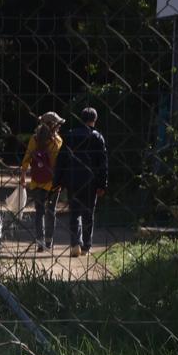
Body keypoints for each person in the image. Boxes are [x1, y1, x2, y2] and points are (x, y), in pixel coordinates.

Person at [54, 107, 109, 256]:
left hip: (73, 179)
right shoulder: (98, 137)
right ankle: (86, 246)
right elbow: (103, 163)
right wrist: (102, 184)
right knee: (88, 213)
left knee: (74, 213)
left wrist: (58, 181)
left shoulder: (70, 135)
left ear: (81, 118)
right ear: (95, 120)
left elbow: (61, 160)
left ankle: (74, 244)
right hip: (91, 181)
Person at [19, 111, 63, 251]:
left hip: (37, 182)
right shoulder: (58, 141)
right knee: (51, 211)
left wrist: (23, 175)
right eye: (58, 124)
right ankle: (49, 241)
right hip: (53, 183)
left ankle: (40, 242)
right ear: (52, 125)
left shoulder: (35, 139)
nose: (59, 126)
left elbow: (27, 157)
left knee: (39, 212)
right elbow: (60, 163)